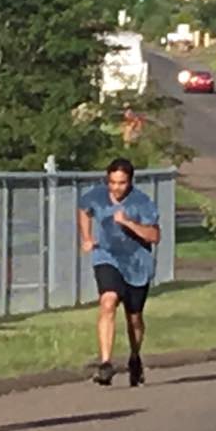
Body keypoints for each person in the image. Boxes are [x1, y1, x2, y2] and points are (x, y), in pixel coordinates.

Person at [77, 158, 161, 387]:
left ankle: (135, 357)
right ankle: (105, 363)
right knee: (108, 301)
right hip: (107, 257)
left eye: (121, 183)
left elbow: (155, 236)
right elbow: (84, 210)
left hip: (136, 265)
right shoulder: (97, 195)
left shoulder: (142, 202)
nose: (116, 188)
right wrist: (86, 237)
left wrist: (129, 223)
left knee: (134, 319)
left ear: (130, 181)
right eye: (112, 182)